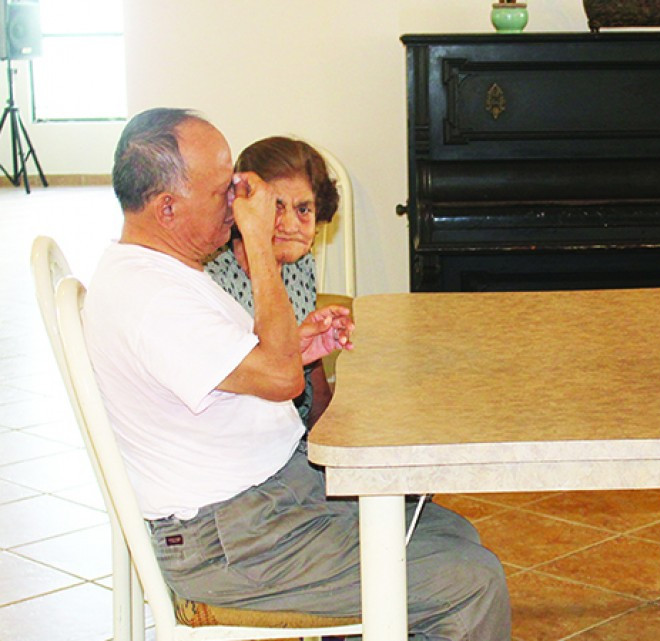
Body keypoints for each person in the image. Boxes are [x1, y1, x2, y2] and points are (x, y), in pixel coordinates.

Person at [84, 108, 510, 639]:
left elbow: (246, 367)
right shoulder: (151, 299)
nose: (240, 200)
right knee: (469, 582)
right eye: (225, 189)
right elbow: (282, 382)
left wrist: (299, 348)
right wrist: (259, 246)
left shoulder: (162, 272)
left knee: (452, 537)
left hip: (270, 501)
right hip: (236, 540)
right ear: (167, 208)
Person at [205, 136, 338, 428]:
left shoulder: (301, 263)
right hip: (246, 437)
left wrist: (329, 433)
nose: (290, 226)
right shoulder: (213, 279)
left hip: (293, 424)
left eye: (303, 209)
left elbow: (311, 371)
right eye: (276, 208)